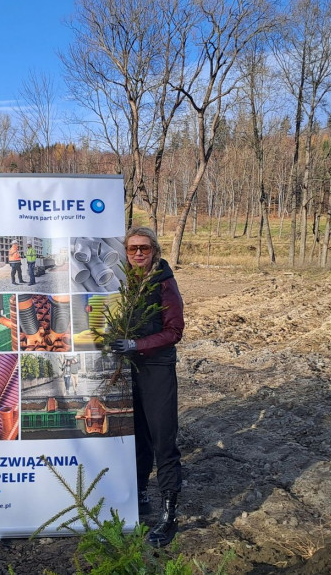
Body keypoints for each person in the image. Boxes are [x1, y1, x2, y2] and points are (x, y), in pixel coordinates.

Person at [110, 226, 185, 548]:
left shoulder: (164, 282)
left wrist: (136, 344)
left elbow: (175, 330)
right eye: (132, 248)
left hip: (157, 368)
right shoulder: (123, 283)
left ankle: (169, 515)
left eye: (144, 248)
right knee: (137, 435)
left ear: (154, 250)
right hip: (130, 368)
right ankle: (139, 495)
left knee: (162, 437)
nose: (138, 253)